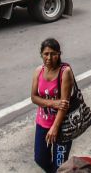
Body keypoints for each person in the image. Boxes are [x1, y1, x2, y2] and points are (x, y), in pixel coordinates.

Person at [31, 38, 75, 172]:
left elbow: (64, 105)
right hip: (42, 124)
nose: (49, 58)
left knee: (59, 165)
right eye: (46, 54)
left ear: (59, 54)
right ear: (41, 54)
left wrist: (55, 128)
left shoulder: (65, 72)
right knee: (40, 158)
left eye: (53, 54)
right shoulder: (38, 71)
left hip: (62, 127)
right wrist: (52, 103)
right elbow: (34, 97)